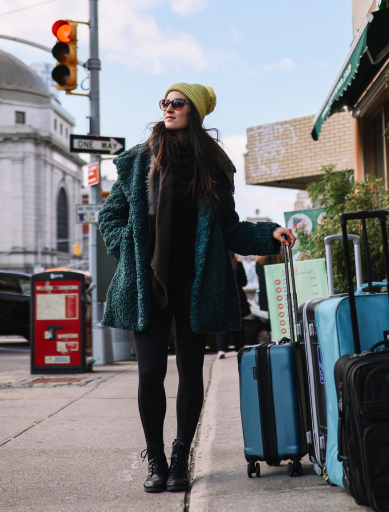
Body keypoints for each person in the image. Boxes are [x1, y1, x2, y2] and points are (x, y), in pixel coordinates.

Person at [98, 83, 295, 493]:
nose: (168, 109)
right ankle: (154, 457)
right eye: (164, 102)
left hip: (197, 282)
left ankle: (180, 457)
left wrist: (268, 234)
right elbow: (111, 216)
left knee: (190, 370)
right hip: (148, 283)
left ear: (196, 111)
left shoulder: (213, 167)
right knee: (150, 372)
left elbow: (228, 229)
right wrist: (129, 249)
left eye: (177, 103)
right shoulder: (138, 161)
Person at [216, 253, 249, 358]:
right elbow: (244, 282)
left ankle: (221, 349)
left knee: (222, 325)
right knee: (238, 324)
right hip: (237, 297)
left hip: (223, 297)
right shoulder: (238, 265)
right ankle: (239, 347)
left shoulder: (219, 265)